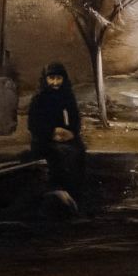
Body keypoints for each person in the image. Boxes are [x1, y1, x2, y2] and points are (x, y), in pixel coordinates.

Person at [27, 61, 86, 201]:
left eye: (58, 78)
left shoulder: (68, 96)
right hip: (44, 139)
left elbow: (75, 120)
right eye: (51, 78)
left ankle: (74, 193)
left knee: (78, 151)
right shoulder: (38, 99)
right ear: (45, 79)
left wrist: (71, 133)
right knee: (56, 155)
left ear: (64, 79)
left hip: (65, 138)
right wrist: (51, 132)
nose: (55, 82)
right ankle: (55, 193)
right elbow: (33, 125)